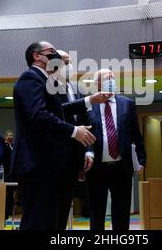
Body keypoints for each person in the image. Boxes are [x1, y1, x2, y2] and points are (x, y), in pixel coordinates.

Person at [11, 41, 112, 230]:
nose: (56, 55)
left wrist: (90, 99)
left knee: (51, 221)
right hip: (36, 163)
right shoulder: (30, 78)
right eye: (52, 51)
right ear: (37, 56)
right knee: (37, 222)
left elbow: (61, 109)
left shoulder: (45, 80)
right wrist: (74, 131)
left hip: (47, 164)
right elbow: (38, 116)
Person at [86, 69, 147, 230]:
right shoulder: (88, 104)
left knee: (121, 211)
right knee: (96, 211)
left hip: (122, 166)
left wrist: (141, 159)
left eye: (113, 77)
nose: (112, 80)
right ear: (97, 83)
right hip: (97, 167)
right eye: (108, 77)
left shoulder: (127, 103)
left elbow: (135, 133)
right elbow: (84, 135)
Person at [54, 50, 93, 230]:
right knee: (50, 213)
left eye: (70, 62)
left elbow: (84, 122)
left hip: (72, 159)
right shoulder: (50, 87)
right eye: (65, 61)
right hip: (54, 157)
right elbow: (57, 114)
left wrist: (87, 150)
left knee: (62, 210)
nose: (69, 66)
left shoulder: (76, 88)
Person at [3, 130, 14, 220]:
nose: (11, 137)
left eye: (12, 135)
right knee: (5, 194)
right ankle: (4, 213)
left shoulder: (13, 146)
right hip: (5, 173)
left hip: (13, 173)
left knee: (11, 193)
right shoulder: (3, 146)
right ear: (5, 137)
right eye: (9, 135)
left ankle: (9, 211)